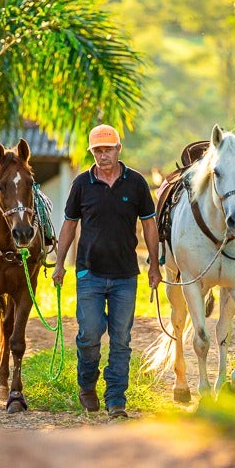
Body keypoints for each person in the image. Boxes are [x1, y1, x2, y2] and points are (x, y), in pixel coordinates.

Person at [52, 124, 162, 419]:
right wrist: (60, 263)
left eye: (107, 149)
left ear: (118, 149)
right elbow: (69, 225)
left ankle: (116, 399)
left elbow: (149, 225)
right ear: (93, 152)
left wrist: (154, 264)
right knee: (89, 334)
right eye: (97, 150)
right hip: (89, 273)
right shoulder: (81, 184)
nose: (103, 155)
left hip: (126, 275)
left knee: (121, 339)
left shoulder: (136, 184)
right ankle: (87, 385)